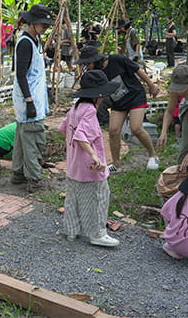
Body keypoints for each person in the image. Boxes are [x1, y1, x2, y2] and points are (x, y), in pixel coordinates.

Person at [59, 70, 122, 247]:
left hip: (73, 165)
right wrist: (94, 156)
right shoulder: (90, 110)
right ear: (98, 95)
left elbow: (62, 128)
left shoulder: (75, 107)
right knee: (99, 197)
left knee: (73, 199)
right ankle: (97, 233)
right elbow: (81, 136)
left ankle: (71, 230)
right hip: (90, 167)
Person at [87, 49, 161, 172]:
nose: (87, 66)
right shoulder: (95, 73)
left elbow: (138, 71)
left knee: (136, 128)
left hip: (135, 96)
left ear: (96, 61)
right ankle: (116, 165)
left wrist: (151, 86)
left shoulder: (117, 59)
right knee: (113, 130)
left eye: (88, 63)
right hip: (118, 102)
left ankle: (153, 155)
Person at [11, 4, 52, 193]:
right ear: (33, 23)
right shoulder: (25, 42)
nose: (45, 28)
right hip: (28, 98)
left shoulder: (36, 39)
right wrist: (29, 101)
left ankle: (18, 173)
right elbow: (20, 74)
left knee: (22, 137)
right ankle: (35, 179)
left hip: (34, 95)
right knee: (32, 139)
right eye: (43, 24)